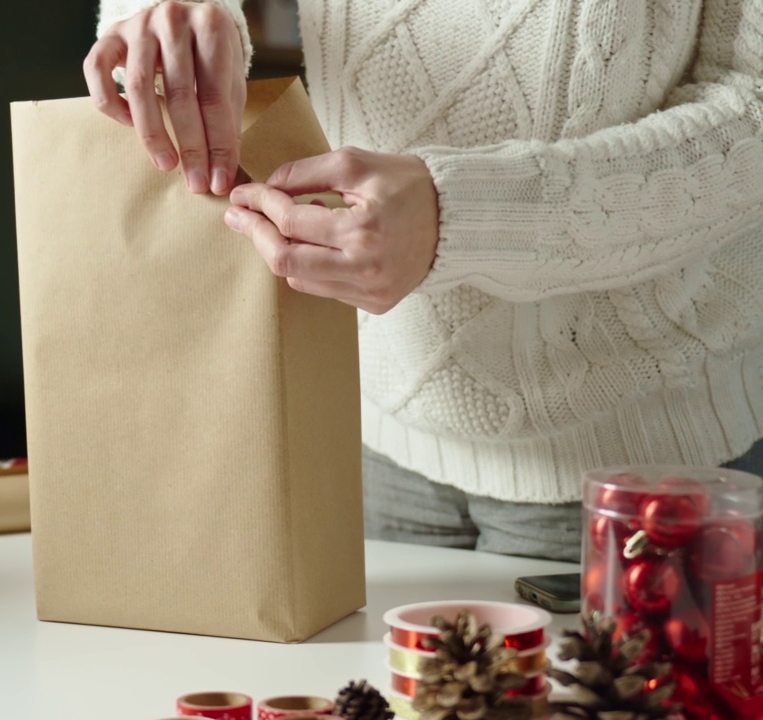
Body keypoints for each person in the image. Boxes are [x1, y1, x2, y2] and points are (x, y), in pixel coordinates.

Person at [84, 0, 763, 561]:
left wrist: (466, 217)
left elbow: (753, 110)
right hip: (366, 437)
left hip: (638, 471)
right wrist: (162, 16)